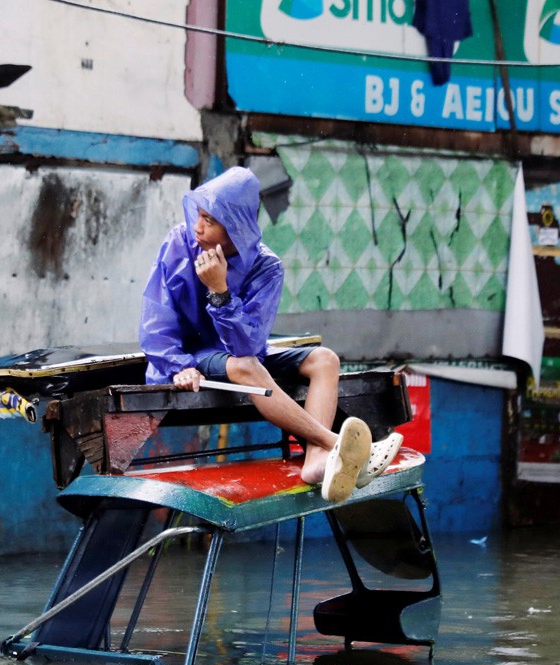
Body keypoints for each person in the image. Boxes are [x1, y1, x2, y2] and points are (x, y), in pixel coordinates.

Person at [139, 166, 402, 502]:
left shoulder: (266, 266)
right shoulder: (179, 244)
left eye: (210, 220)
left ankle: (317, 460)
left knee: (325, 360)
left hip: (243, 355)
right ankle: (336, 444)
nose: (197, 227)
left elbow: (248, 344)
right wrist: (177, 364)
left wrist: (220, 292)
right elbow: (156, 317)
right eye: (199, 215)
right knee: (247, 368)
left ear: (234, 227)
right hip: (194, 356)